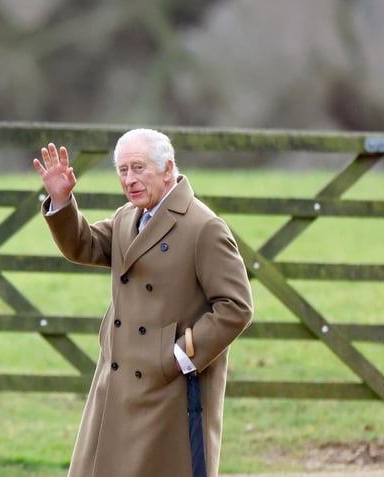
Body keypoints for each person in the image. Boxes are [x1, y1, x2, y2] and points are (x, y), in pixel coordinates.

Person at [33, 128, 253, 477]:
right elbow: (83, 244)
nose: (129, 179)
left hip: (170, 388)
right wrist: (61, 202)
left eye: (138, 168)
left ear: (168, 169)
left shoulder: (204, 227)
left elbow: (236, 306)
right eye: (122, 170)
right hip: (116, 380)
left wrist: (179, 356)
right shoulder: (127, 218)